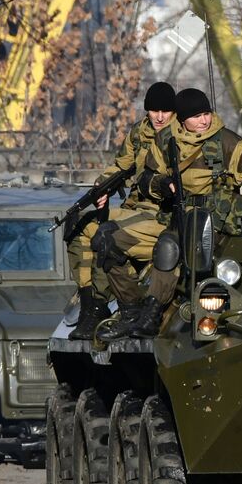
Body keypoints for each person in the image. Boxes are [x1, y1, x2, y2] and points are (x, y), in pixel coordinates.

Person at [97, 88, 242, 339]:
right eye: (196, 116)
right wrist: (161, 185)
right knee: (107, 241)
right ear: (182, 119)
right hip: (172, 217)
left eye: (206, 113)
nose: (204, 121)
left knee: (169, 246)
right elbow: (145, 178)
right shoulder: (166, 140)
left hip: (213, 224)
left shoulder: (228, 142)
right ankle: (132, 311)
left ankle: (152, 314)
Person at [66, 81, 176, 339]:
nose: (159, 117)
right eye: (154, 110)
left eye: (166, 111)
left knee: (107, 234)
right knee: (79, 225)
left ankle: (130, 307)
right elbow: (121, 165)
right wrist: (100, 188)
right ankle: (92, 306)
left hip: (161, 213)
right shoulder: (139, 133)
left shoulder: (181, 137)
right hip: (134, 207)